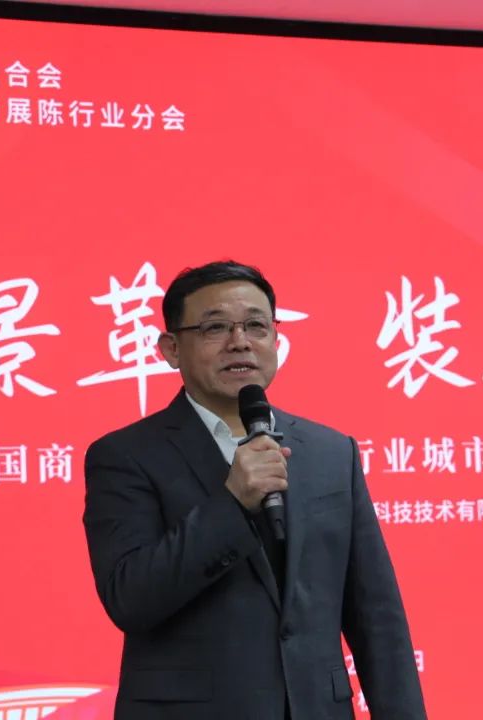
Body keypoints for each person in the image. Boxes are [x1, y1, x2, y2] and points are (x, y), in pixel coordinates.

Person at [83, 260, 426, 719]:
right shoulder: (126, 456)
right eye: (215, 327)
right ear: (171, 349)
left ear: (276, 340)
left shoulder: (331, 452)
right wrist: (231, 504)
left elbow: (376, 616)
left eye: (256, 326)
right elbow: (131, 598)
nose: (240, 341)